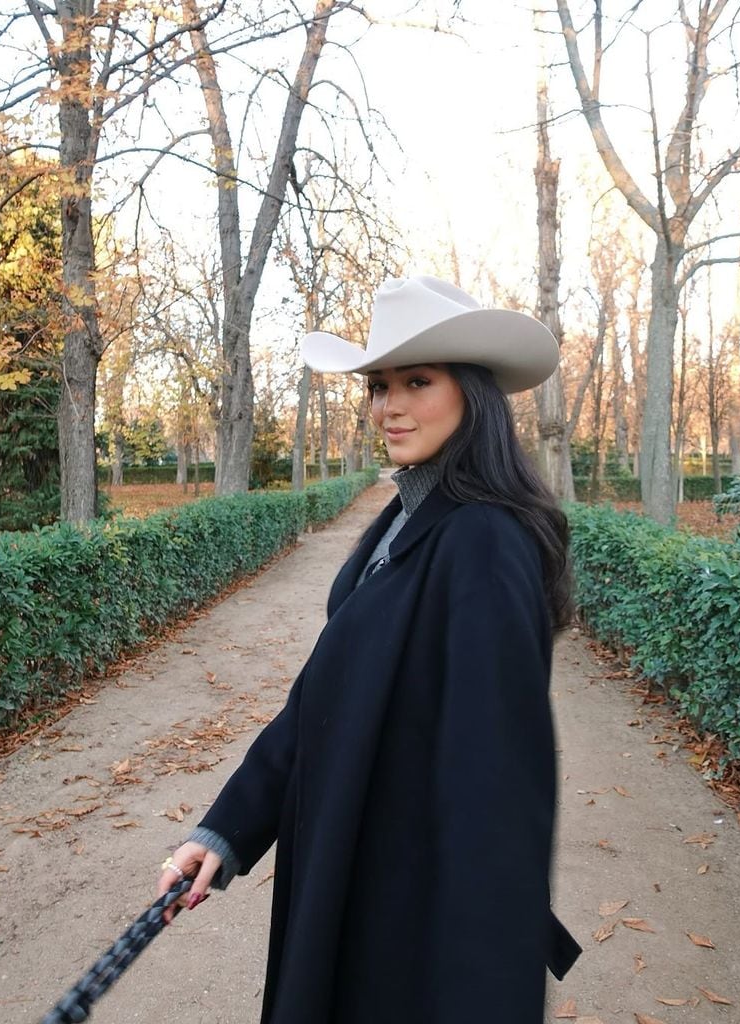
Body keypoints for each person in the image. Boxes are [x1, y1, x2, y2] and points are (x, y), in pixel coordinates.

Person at [157, 275, 581, 1023]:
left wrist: (484, 983)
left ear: (473, 393)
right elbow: (323, 701)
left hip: (410, 919)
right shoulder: (404, 516)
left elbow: (499, 791)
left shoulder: (484, 541)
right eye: (379, 386)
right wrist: (227, 829)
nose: (388, 407)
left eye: (416, 382)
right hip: (350, 867)